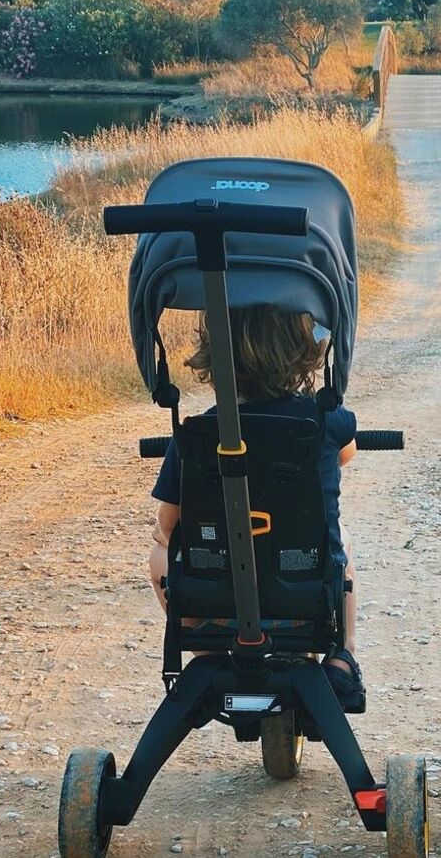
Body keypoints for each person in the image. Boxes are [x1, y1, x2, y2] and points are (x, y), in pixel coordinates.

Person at [147, 304, 364, 709]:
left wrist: (168, 533)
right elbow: (346, 454)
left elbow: (168, 522)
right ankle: (342, 655)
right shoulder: (326, 420)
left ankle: (210, 662)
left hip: (213, 598)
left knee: (162, 550)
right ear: (304, 348)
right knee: (342, 543)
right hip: (303, 596)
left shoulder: (195, 435)